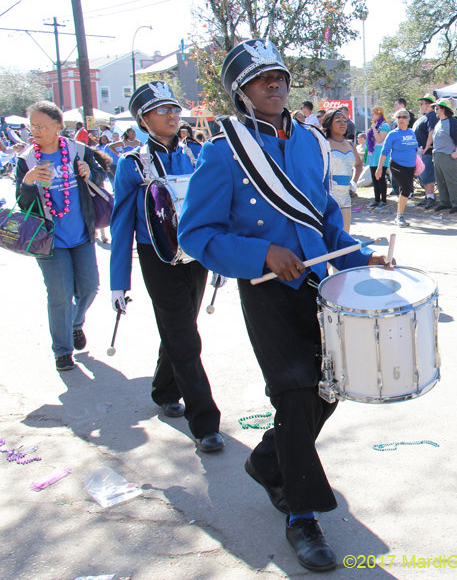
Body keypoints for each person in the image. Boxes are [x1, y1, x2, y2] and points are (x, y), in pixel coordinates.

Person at [177, 39, 389, 573]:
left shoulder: (310, 143)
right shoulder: (223, 151)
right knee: (295, 392)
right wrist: (261, 252)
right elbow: (195, 233)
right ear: (241, 92)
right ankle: (302, 514)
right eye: (259, 79)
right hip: (267, 287)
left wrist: (359, 256)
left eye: (279, 76)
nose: (273, 84)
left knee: (328, 390)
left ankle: (270, 460)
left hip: (316, 284)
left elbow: (325, 219)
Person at [109, 82, 224, 453]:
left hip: (196, 254)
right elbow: (121, 223)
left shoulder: (198, 153)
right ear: (143, 120)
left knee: (179, 327)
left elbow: (215, 207)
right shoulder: (132, 164)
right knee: (184, 335)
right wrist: (118, 282)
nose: (172, 115)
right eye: (162, 110)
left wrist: (221, 256)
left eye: (174, 108)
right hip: (157, 257)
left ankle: (164, 389)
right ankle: (205, 422)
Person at [15, 101, 105, 371]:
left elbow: (100, 176)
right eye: (32, 126)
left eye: (41, 126)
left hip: (81, 234)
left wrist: (91, 173)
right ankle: (63, 351)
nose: (35, 131)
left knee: (89, 287)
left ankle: (75, 323)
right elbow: (23, 204)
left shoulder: (78, 150)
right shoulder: (26, 160)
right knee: (60, 296)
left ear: (57, 126)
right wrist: (28, 181)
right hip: (48, 239)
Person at [377, 108, 420, 227]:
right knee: (406, 188)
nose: (401, 119)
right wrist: (379, 168)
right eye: (399, 117)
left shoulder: (411, 132)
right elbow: (384, 151)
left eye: (404, 117)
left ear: (408, 119)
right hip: (397, 164)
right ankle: (399, 216)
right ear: (396, 119)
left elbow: (414, 147)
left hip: (410, 165)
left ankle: (399, 215)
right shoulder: (393, 134)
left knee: (405, 190)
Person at [323, 109, 362, 232]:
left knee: (346, 235)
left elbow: (359, 165)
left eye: (344, 120)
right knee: (330, 234)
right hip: (329, 195)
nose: (342, 123)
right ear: (329, 124)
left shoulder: (350, 144)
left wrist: (354, 182)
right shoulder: (323, 144)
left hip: (345, 195)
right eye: (338, 121)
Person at [429, 98, 457, 213]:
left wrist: (456, 152)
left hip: (448, 156)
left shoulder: (452, 121)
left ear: (443, 109)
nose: (435, 110)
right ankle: (445, 202)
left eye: (437, 108)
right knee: (440, 180)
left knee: (451, 180)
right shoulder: (439, 122)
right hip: (437, 155)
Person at [414, 94, 439, 209]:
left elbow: (431, 132)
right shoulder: (424, 116)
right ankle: (427, 196)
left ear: (428, 105)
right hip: (419, 151)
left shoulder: (432, 116)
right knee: (422, 176)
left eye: (422, 104)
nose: (420, 106)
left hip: (426, 151)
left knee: (427, 175)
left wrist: (426, 147)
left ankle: (431, 197)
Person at [366, 106, 391, 208]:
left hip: (381, 154)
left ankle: (383, 200)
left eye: (373, 114)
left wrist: (373, 128)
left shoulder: (384, 125)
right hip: (373, 153)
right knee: (374, 177)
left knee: (381, 177)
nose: (371, 116)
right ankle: (376, 199)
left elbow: (380, 139)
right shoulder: (375, 124)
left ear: (378, 114)